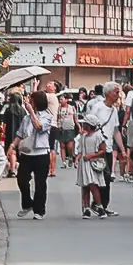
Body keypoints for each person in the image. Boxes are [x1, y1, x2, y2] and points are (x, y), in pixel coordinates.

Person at [8, 90, 53, 219]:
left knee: (40, 182)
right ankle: (27, 203)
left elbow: (39, 127)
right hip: (27, 153)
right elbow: (20, 134)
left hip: (41, 153)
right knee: (22, 179)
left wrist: (32, 112)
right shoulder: (26, 118)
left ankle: (39, 210)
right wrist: (12, 146)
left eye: (31, 100)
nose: (29, 102)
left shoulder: (47, 116)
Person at [84, 83, 123, 217]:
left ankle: (102, 205)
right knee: (97, 176)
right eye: (116, 92)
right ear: (108, 93)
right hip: (96, 147)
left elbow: (116, 131)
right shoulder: (98, 107)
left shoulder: (114, 110)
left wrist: (122, 150)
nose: (118, 95)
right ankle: (95, 204)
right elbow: (88, 124)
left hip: (108, 146)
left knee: (106, 178)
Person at [75, 113, 109, 218]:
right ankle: (86, 208)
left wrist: (91, 156)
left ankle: (99, 207)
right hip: (84, 164)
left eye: (85, 123)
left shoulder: (98, 136)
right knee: (85, 187)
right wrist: (78, 158)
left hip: (92, 163)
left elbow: (103, 150)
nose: (83, 125)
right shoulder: (83, 137)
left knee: (93, 185)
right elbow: (80, 150)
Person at [55, 94, 78, 167]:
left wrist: (79, 127)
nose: (60, 101)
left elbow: (75, 118)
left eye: (62, 99)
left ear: (66, 100)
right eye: (60, 100)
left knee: (70, 146)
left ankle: (71, 156)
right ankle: (64, 162)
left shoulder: (72, 108)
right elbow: (57, 118)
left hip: (70, 128)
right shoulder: (59, 108)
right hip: (61, 128)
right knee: (62, 145)